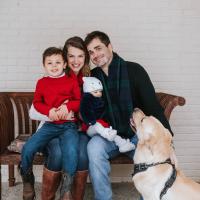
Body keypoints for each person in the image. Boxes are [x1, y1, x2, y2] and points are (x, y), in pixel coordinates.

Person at [84, 31, 172, 200]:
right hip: (110, 135)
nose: (95, 55)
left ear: (110, 46)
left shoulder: (134, 70)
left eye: (98, 48)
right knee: (93, 148)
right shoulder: (94, 77)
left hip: (136, 135)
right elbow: (90, 110)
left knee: (153, 156)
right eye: (91, 52)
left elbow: (151, 105)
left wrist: (167, 135)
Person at [29, 37, 91, 200]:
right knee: (57, 153)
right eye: (71, 56)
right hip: (53, 126)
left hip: (79, 129)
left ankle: (70, 196)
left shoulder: (90, 79)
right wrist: (54, 112)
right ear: (65, 59)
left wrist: (72, 109)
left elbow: (94, 111)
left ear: (86, 58)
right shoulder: (54, 75)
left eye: (80, 56)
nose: (76, 61)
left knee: (83, 155)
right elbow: (33, 112)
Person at [20, 47, 81, 200]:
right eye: (50, 63)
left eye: (58, 62)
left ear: (65, 64)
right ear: (44, 65)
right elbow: (37, 103)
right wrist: (49, 111)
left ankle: (66, 190)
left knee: (72, 151)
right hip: (50, 125)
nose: (54, 66)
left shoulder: (71, 80)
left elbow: (79, 100)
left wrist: (68, 106)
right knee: (28, 147)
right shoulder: (42, 82)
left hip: (69, 126)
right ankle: (27, 179)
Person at [80, 76, 135, 152]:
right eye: (95, 92)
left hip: (101, 125)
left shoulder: (98, 100)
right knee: (98, 127)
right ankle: (110, 135)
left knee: (110, 133)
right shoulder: (86, 101)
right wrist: (91, 120)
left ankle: (123, 144)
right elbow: (85, 111)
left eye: (100, 91)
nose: (99, 94)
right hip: (90, 126)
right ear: (88, 92)